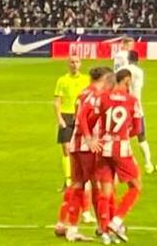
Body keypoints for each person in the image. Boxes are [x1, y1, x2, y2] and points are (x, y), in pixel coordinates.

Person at [56, 66, 111, 241]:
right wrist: (89, 138)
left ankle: (71, 229)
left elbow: (77, 115)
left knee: (78, 185)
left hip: (75, 145)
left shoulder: (83, 93)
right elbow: (81, 118)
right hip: (87, 147)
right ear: (103, 78)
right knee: (96, 185)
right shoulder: (95, 95)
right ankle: (103, 227)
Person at [94, 69, 144, 243]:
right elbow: (137, 129)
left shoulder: (103, 97)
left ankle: (104, 230)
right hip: (121, 149)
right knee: (136, 186)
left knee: (105, 192)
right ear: (127, 80)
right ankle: (116, 222)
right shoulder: (132, 101)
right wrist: (122, 135)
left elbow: (93, 118)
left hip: (103, 147)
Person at [55, 57, 91, 189]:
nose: (74, 65)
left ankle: (83, 178)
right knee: (66, 148)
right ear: (68, 64)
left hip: (82, 116)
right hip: (66, 116)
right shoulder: (62, 80)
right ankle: (68, 180)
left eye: (77, 62)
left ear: (80, 64)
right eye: (72, 62)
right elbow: (57, 101)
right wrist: (59, 118)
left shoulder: (86, 80)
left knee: (82, 150)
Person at [124, 51, 157, 174]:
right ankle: (148, 164)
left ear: (128, 59)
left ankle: (128, 165)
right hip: (137, 107)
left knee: (123, 137)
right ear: (137, 60)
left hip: (123, 106)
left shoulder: (121, 70)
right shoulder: (140, 72)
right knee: (142, 137)